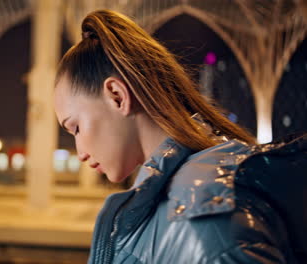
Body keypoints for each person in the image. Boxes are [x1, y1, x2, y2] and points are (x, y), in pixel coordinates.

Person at [54, 10, 304, 263]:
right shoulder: (177, 199)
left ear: (117, 96)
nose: (81, 152)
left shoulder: (203, 217)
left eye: (75, 128)